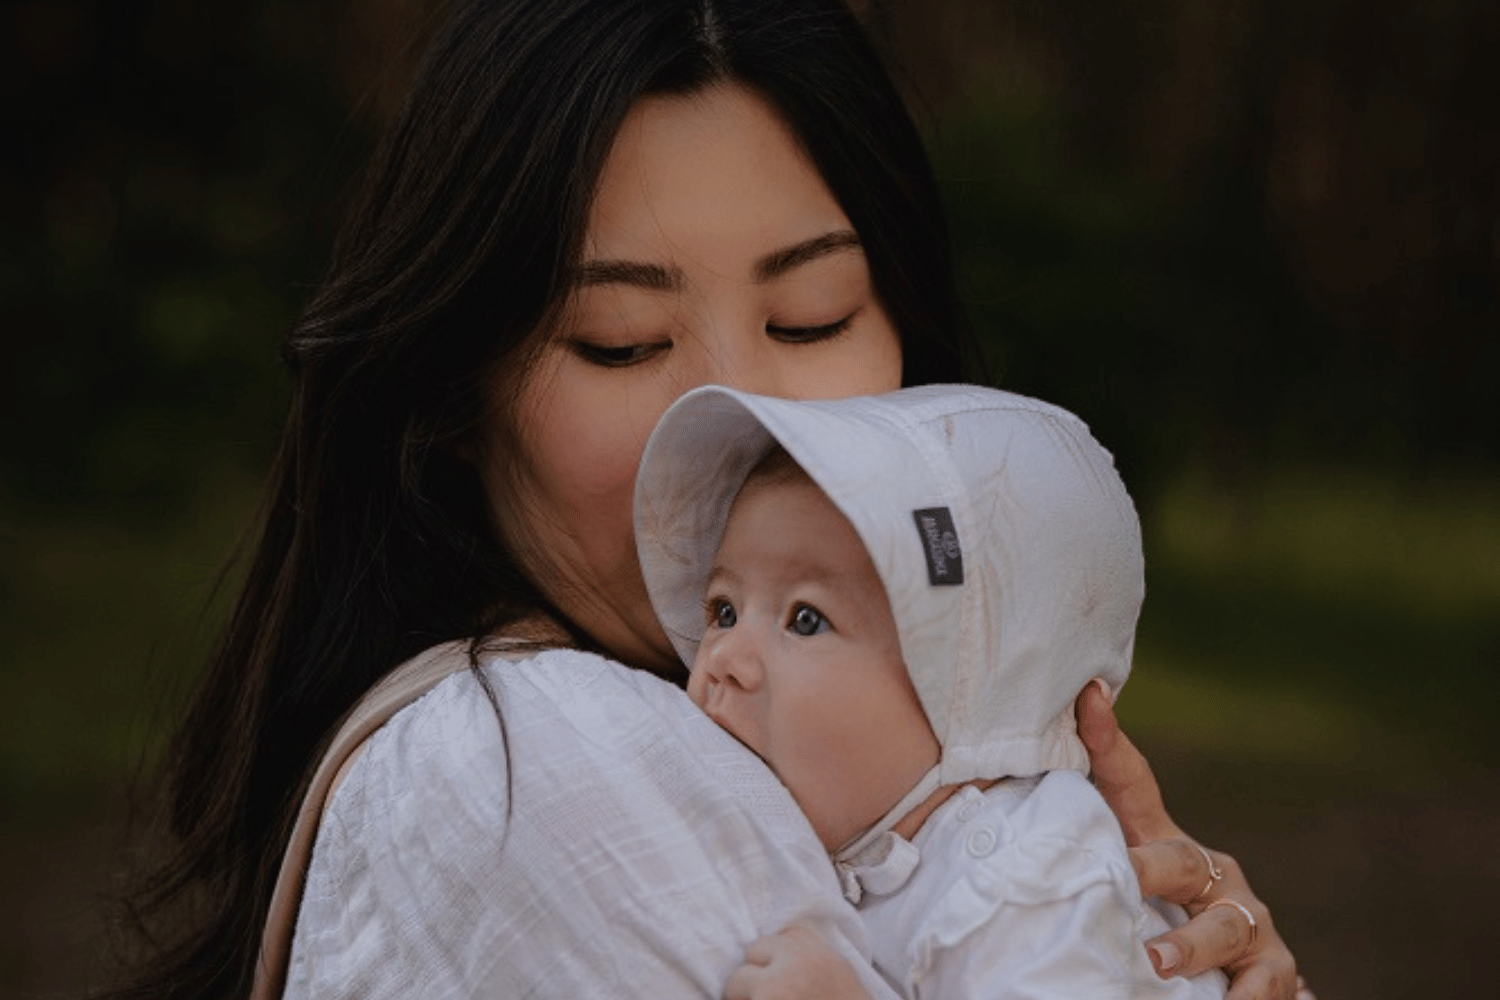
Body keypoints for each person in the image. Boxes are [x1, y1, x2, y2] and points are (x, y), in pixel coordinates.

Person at [106, 2, 1304, 999]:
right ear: (454, 401)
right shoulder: (539, 765)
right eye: (622, 342)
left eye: (812, 319)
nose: (738, 417)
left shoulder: (920, 810)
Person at [635, 383, 1236, 998]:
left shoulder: (1025, 874)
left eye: (805, 619)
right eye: (724, 609)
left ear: (971, 694)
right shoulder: (871, 842)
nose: (723, 658)